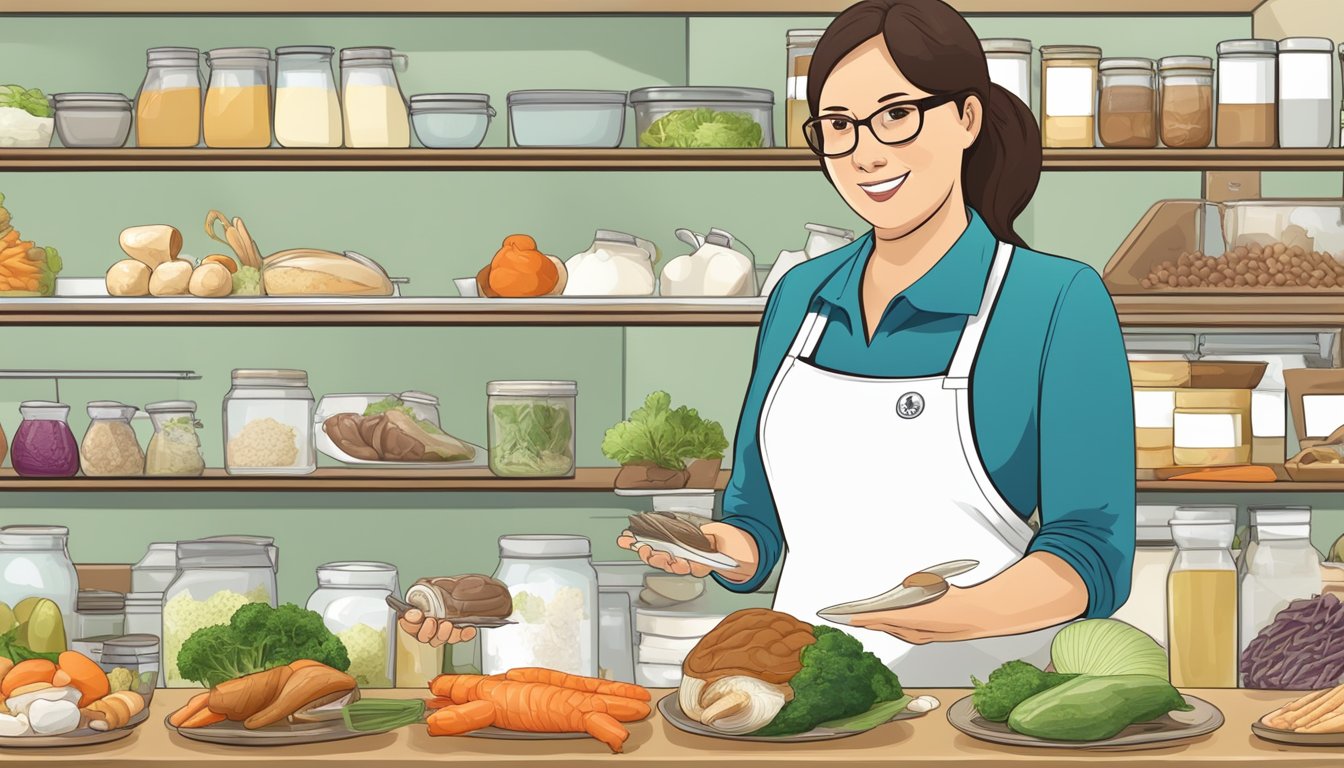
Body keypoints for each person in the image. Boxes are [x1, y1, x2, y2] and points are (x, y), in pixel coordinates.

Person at [619, 0, 1135, 687]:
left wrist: (960, 613)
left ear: (967, 118)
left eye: (896, 114)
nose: (865, 152)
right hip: (805, 698)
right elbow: (757, 519)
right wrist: (719, 551)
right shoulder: (800, 297)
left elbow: (1092, 555)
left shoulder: (1055, 301)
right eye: (838, 126)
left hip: (981, 705)